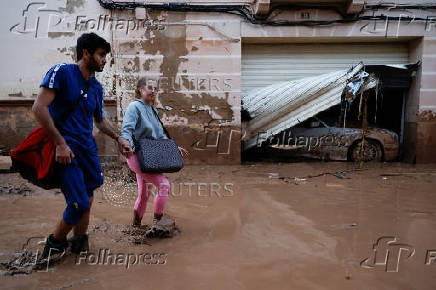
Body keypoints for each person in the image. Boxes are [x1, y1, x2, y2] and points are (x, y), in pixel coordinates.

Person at [33, 33, 124, 258]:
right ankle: (54, 244)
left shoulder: (96, 88)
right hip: (66, 150)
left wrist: (119, 138)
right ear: (86, 53)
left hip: (87, 151)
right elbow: (39, 108)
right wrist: (60, 144)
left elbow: (99, 120)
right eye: (102, 55)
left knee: (89, 193)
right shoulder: (61, 73)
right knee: (78, 202)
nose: (105, 60)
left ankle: (79, 241)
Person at [119, 77, 188, 237]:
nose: (153, 91)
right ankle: (158, 223)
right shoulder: (134, 107)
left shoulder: (152, 110)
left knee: (144, 194)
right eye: (149, 87)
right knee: (164, 185)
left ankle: (135, 227)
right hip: (137, 156)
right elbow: (127, 129)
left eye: (156, 88)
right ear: (140, 90)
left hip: (151, 156)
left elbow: (159, 135)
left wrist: (173, 147)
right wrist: (126, 144)